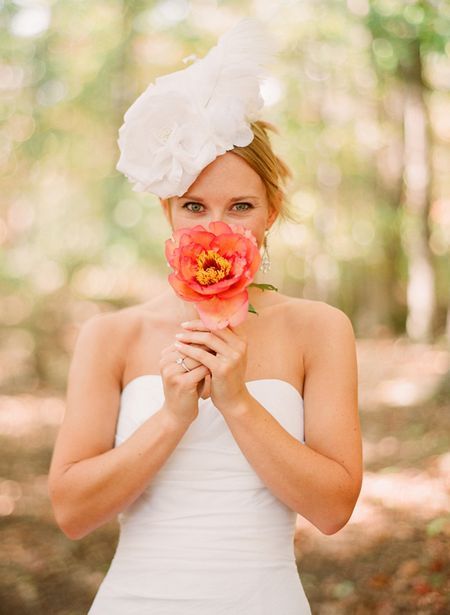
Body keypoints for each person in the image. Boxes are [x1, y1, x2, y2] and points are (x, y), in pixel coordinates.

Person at [48, 17, 362, 614]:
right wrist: (171, 416)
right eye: (195, 206)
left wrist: (239, 403)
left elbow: (333, 511)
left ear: (271, 211)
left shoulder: (319, 329)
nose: (217, 226)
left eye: (240, 205)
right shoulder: (111, 335)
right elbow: (71, 512)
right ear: (169, 212)